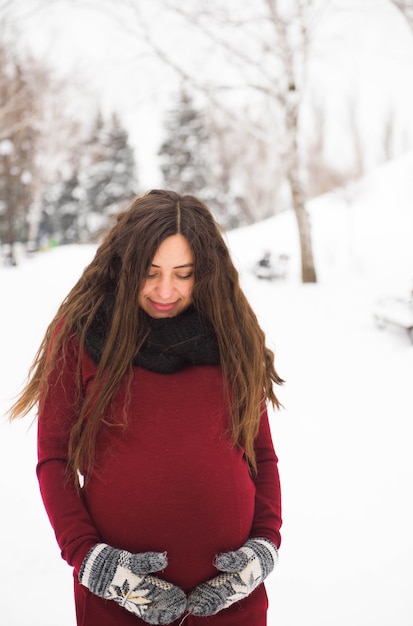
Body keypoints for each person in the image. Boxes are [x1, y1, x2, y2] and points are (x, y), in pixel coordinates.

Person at [9, 189, 283, 626]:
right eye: (150, 272)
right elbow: (54, 458)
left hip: (233, 602)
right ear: (124, 265)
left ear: (204, 274)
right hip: (118, 603)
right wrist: (92, 560)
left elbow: (260, 454)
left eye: (183, 273)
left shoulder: (231, 333)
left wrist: (265, 545)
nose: (165, 289)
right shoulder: (82, 333)